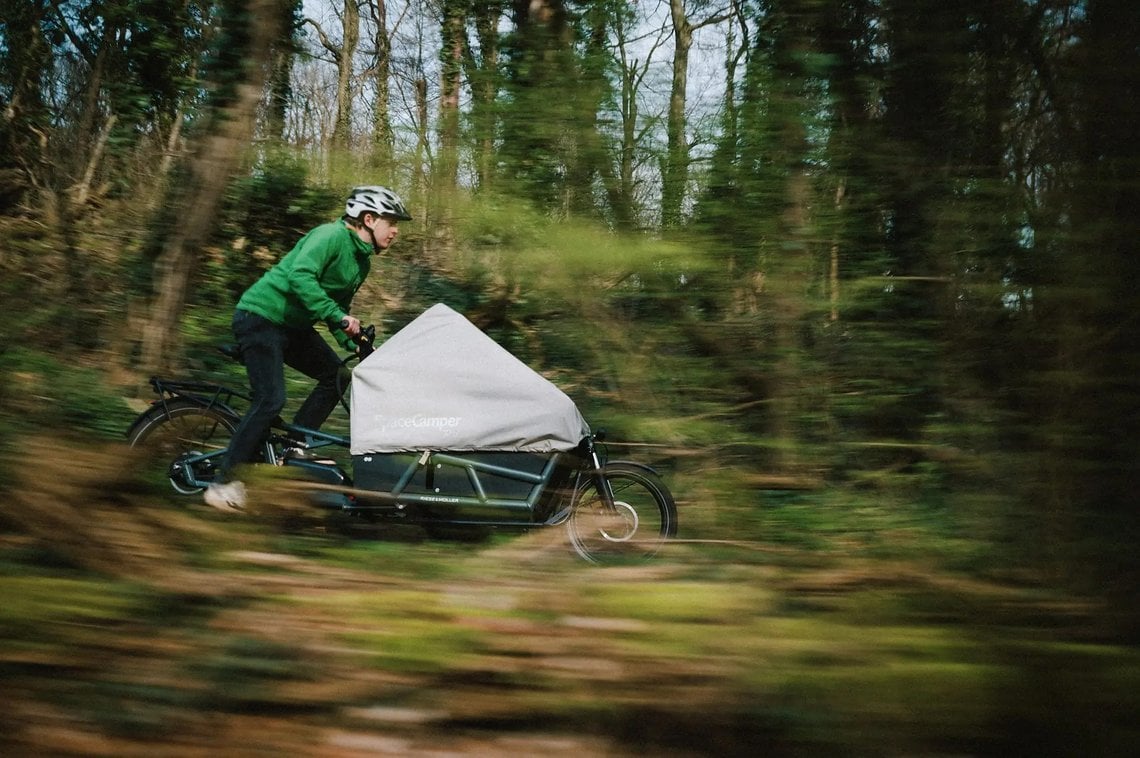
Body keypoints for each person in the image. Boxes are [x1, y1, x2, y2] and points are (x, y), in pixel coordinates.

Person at [204, 185, 412, 512]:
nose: (396, 230)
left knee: (338, 378)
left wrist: (356, 343)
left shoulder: (361, 263)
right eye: (392, 222)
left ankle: (292, 448)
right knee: (271, 399)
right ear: (369, 219)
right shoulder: (329, 236)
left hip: (293, 327)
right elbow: (301, 278)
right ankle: (222, 483)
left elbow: (335, 308)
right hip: (261, 317)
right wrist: (339, 317)